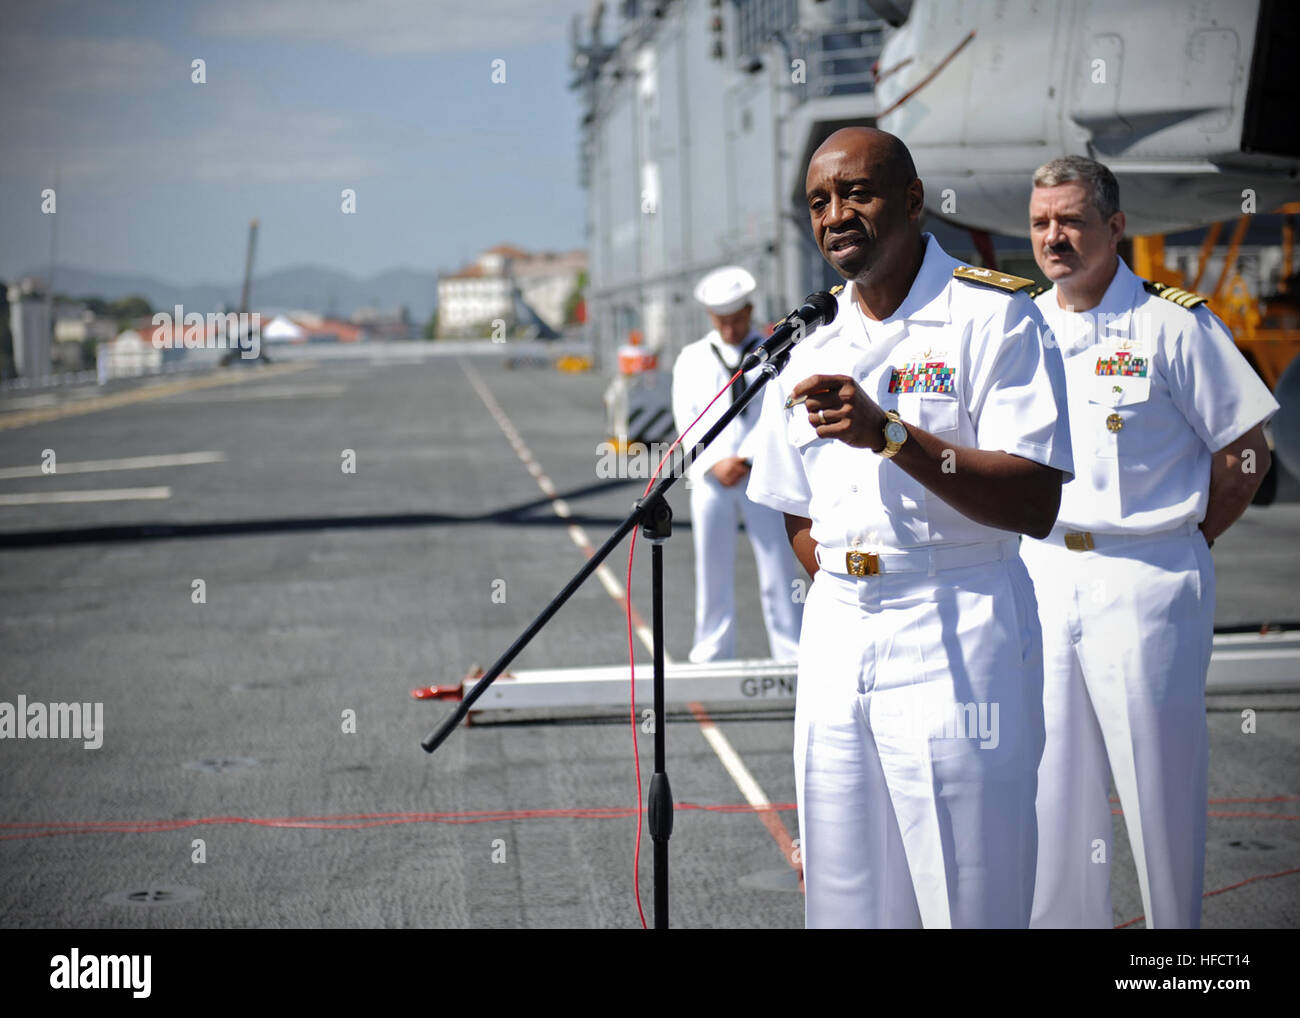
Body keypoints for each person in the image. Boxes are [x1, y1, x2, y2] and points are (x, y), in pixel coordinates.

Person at [746, 126, 1073, 928]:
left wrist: (891, 435)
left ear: (913, 200)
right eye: (819, 202)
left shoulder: (995, 317)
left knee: (969, 893)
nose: (836, 215)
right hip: (838, 632)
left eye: (856, 192)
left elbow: (1035, 502)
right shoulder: (807, 340)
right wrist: (852, 581)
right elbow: (795, 501)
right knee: (845, 895)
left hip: (955, 618)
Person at [1022, 155, 1278, 929]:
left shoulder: (1174, 323)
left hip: (1145, 576)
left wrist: (1188, 539)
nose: (1054, 236)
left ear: (1115, 225)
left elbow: (1246, 450)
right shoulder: (1021, 324)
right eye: (1040, 223)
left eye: (1070, 219)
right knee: (1051, 791)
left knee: (1158, 787)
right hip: (1040, 571)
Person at [670, 266, 803, 663]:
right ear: (711, 318)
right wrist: (713, 463)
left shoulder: (774, 352)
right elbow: (686, 418)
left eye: (737, 319)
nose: (730, 329)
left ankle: (790, 650)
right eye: (722, 321)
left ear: (749, 310)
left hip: (759, 469)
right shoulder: (691, 358)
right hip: (712, 476)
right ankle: (711, 650)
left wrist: (743, 458)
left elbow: (777, 412)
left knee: (777, 563)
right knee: (711, 565)